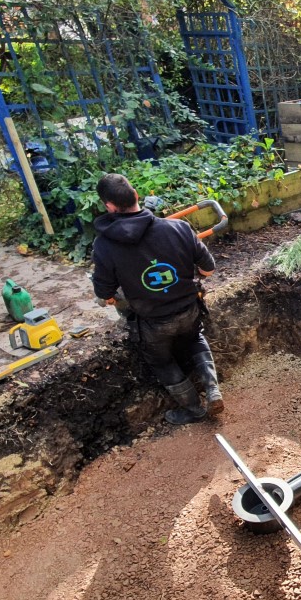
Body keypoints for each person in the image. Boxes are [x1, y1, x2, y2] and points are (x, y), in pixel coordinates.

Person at [91, 173, 224, 424]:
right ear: (136, 196)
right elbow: (208, 270)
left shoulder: (104, 246)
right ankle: (213, 391)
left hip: (153, 322)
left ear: (108, 206)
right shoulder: (178, 227)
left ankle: (193, 409)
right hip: (189, 310)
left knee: (161, 361)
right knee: (196, 338)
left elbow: (105, 296)